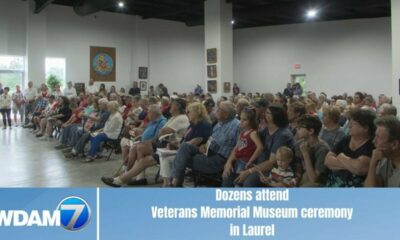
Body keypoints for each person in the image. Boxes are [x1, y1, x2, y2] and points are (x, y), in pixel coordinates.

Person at [172, 101, 240, 187]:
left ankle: (175, 184)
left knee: (180, 157)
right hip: (208, 152)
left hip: (217, 160)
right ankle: (176, 183)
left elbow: (238, 147)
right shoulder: (219, 123)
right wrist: (204, 146)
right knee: (184, 147)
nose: (216, 110)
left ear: (226, 114)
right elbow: (210, 140)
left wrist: (229, 162)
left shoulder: (236, 125)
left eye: (219, 109)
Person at [234, 104, 298, 187]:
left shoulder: (282, 135)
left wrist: (249, 171)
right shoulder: (267, 129)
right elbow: (243, 143)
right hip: (260, 164)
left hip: (277, 170)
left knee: (249, 182)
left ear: (276, 116)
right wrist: (229, 161)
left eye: (268, 113)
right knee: (231, 174)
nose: (264, 114)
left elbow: (272, 162)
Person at [324, 108, 376, 187]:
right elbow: (327, 160)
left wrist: (341, 157)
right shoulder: (346, 139)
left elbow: (360, 169)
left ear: (365, 128)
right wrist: (351, 165)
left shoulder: (372, 144)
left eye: (353, 123)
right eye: (349, 122)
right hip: (333, 183)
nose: (349, 126)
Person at [222, 107, 263, 187]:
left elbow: (260, 147)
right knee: (227, 176)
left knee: (237, 182)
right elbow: (237, 147)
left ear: (251, 121)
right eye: (241, 119)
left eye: (245, 120)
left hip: (244, 162)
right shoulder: (242, 132)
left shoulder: (252, 133)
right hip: (237, 160)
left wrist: (250, 161)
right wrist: (229, 161)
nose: (241, 121)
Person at [295, 115, 330, 186]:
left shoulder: (323, 149)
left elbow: (314, 179)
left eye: (300, 128)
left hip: (317, 183)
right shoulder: (299, 144)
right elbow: (298, 167)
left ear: (311, 131)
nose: (297, 130)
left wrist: (305, 154)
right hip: (303, 177)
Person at [365, 116, 400, 187]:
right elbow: (370, 191)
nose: (373, 141)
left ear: (394, 144)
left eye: (378, 137)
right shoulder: (384, 159)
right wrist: (372, 165)